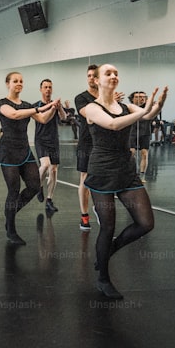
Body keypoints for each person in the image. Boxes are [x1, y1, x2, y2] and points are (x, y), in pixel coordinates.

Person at [81, 64, 166, 299]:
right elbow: (113, 124)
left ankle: (109, 250)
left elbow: (148, 115)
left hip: (126, 170)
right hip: (102, 171)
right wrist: (143, 110)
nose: (114, 76)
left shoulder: (125, 105)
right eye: (108, 73)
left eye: (116, 73)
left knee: (146, 223)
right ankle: (103, 279)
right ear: (97, 81)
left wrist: (160, 103)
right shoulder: (91, 108)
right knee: (107, 226)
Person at [0, 72, 54, 245]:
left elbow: (43, 120)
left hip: (24, 150)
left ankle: (10, 213)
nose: (19, 83)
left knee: (34, 186)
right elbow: (14, 115)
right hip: (8, 151)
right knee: (13, 191)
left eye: (21, 81)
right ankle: (11, 229)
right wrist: (39, 108)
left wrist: (53, 107)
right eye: (15, 81)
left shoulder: (27, 105)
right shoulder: (2, 103)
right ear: (8, 84)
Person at [32, 78, 66, 212]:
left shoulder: (55, 104)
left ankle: (49, 199)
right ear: (41, 89)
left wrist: (60, 107)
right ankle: (38, 185)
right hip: (41, 139)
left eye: (50, 87)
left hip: (53, 140)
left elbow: (63, 118)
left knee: (53, 170)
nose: (48, 90)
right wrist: (52, 108)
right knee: (45, 165)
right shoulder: (37, 106)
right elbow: (44, 118)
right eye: (45, 87)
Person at [75, 64, 100, 231]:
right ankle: (84, 216)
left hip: (103, 143)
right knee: (85, 177)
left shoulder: (108, 97)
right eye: (89, 75)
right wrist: (107, 101)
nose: (91, 78)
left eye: (94, 75)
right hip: (86, 142)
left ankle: (99, 208)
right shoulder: (80, 98)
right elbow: (89, 113)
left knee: (101, 178)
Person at [128, 91, 151, 183]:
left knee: (144, 154)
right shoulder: (128, 108)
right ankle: (130, 174)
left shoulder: (148, 109)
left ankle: (142, 175)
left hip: (145, 133)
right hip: (131, 133)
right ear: (132, 99)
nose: (141, 99)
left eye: (143, 97)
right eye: (137, 97)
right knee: (131, 153)